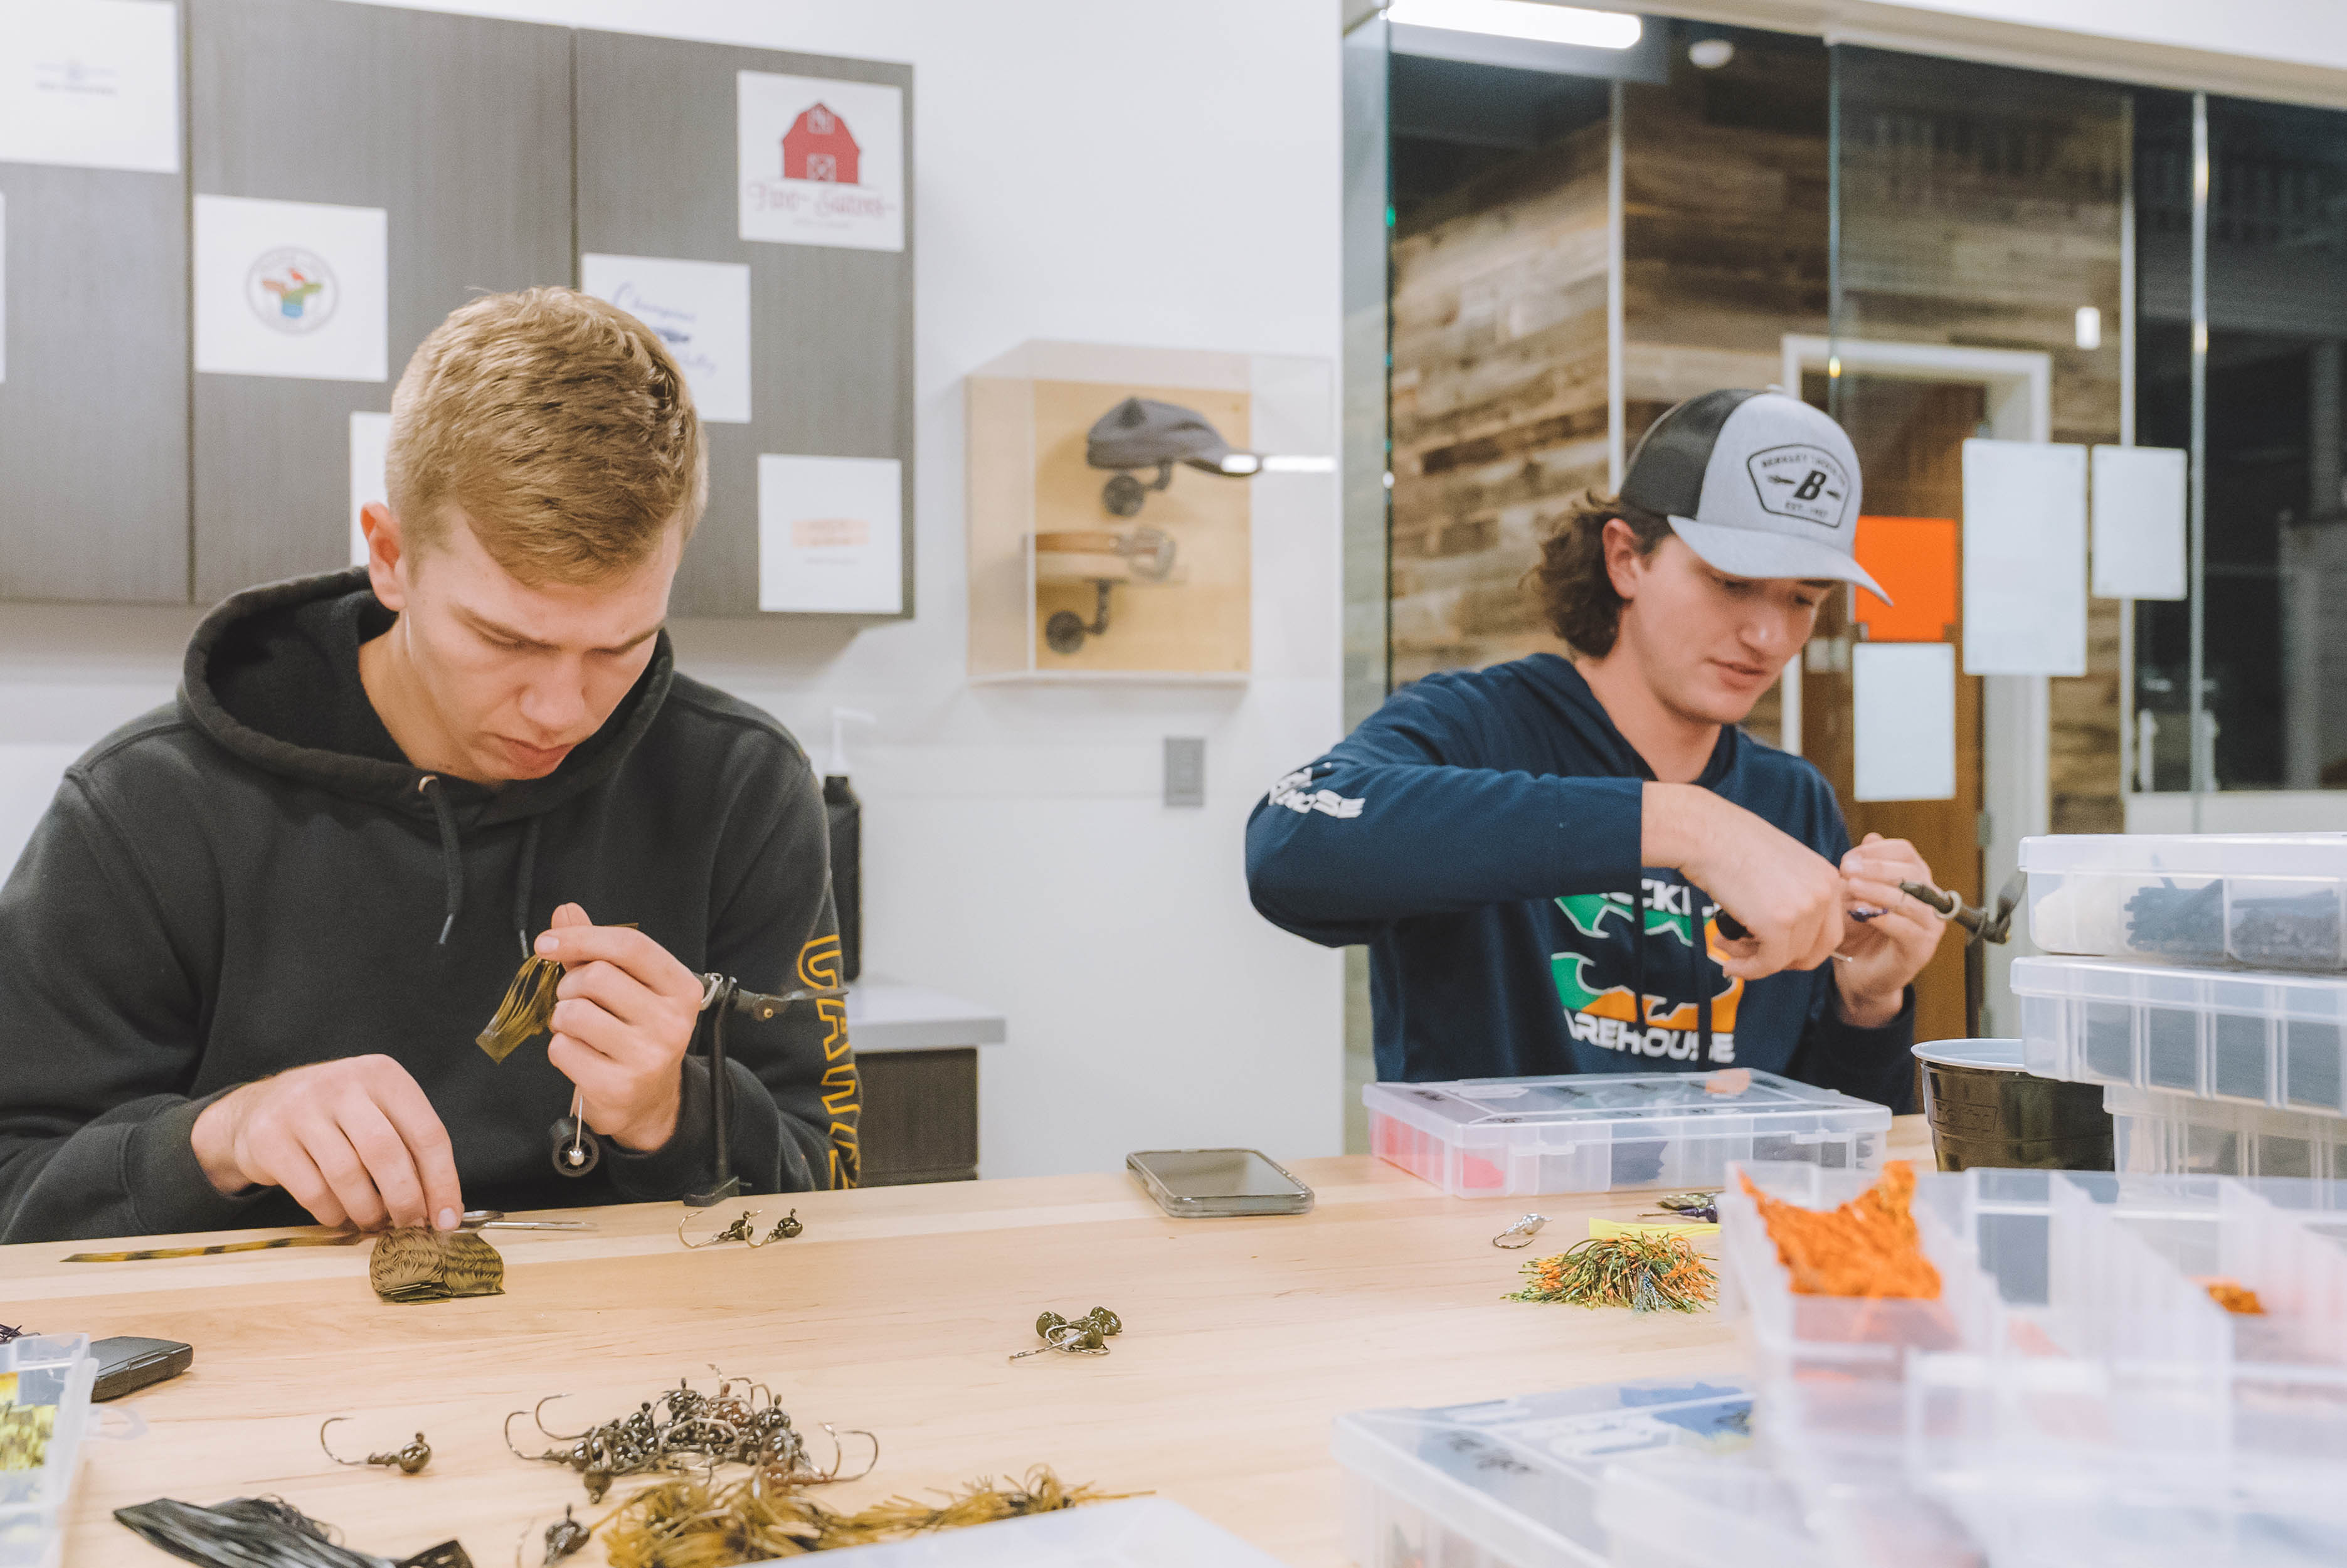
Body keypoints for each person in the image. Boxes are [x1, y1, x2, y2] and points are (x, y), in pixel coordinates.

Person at [0, 288, 856, 1244]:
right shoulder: (144, 808)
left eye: (620, 648)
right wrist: (219, 1137)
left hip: (650, 1373)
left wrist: (678, 1113)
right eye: (505, 640)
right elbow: (15, 1189)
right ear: (391, 556)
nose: (561, 711)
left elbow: (828, 1187)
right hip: (269, 1374)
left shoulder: (742, 791)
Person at [1246, 389, 1944, 1110]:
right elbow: (1288, 845)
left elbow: (1827, 1143)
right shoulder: (1477, 727)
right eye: (1731, 583)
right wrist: (1685, 826)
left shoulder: (1791, 799)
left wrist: (1867, 1006)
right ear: (1624, 559)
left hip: (1707, 1221)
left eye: (1803, 599)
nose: (1768, 637)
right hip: (1486, 1219)